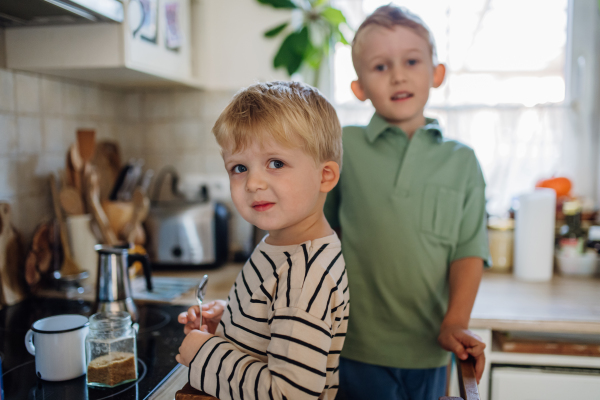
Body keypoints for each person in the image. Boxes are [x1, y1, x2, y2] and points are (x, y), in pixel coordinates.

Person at [324, 5, 488, 400]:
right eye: (380, 67)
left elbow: (468, 251)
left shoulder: (462, 161)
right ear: (358, 87)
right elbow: (315, 234)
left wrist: (455, 323)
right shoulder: (343, 148)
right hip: (352, 346)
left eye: (412, 61)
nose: (398, 74)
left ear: (436, 73)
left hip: (432, 349)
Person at [176, 81, 349, 400]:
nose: (254, 182)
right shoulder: (283, 244)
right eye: (239, 167)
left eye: (276, 163)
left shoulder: (305, 276)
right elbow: (281, 326)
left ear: (325, 176)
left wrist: (205, 353)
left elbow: (288, 395)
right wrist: (232, 322)